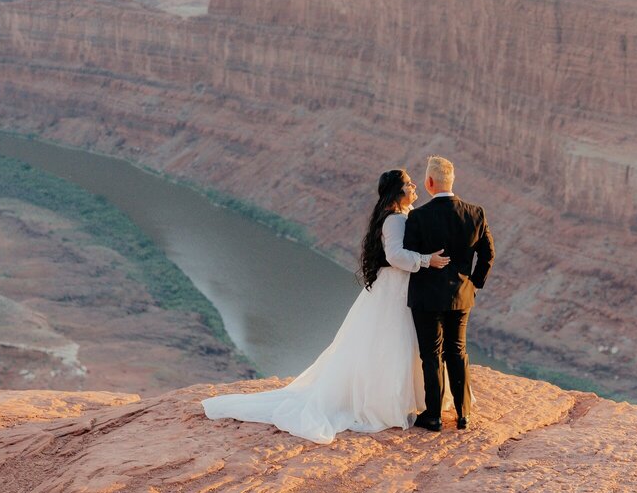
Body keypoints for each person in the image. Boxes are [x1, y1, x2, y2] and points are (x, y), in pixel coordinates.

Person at [201, 168, 449, 444]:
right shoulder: (394, 220)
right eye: (408, 183)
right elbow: (394, 255)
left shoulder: (399, 215)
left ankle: (401, 399)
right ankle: (385, 404)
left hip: (396, 287)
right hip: (394, 288)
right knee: (392, 343)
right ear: (396, 191)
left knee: (391, 343)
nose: (414, 185)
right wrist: (427, 260)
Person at [404, 155, 493, 431]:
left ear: (430, 182)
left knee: (431, 354)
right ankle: (463, 413)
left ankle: (433, 415)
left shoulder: (419, 216)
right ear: (451, 181)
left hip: (426, 298)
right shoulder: (475, 213)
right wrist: (474, 283)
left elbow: (409, 254)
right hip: (461, 296)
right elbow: (488, 254)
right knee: (457, 350)